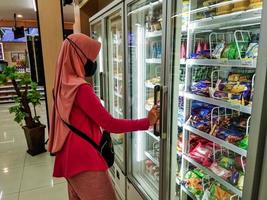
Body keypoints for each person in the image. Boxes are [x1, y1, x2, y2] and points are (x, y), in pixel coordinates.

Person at [48, 33, 159, 200]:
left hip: (68, 156)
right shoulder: (80, 89)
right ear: (79, 57)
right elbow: (110, 124)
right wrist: (147, 121)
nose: (92, 64)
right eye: (89, 58)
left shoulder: (61, 84)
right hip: (85, 159)